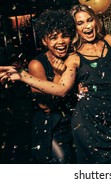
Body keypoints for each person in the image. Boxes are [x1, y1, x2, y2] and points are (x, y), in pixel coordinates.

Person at [0, 5, 111, 164]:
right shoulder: (72, 58)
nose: (86, 26)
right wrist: (22, 75)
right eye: (80, 23)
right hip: (82, 124)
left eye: (89, 20)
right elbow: (58, 92)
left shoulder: (110, 41)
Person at [27, 9, 76, 163]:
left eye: (64, 36)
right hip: (51, 126)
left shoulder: (72, 59)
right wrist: (57, 74)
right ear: (44, 41)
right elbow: (46, 106)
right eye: (54, 38)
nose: (60, 42)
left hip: (73, 121)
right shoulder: (36, 64)